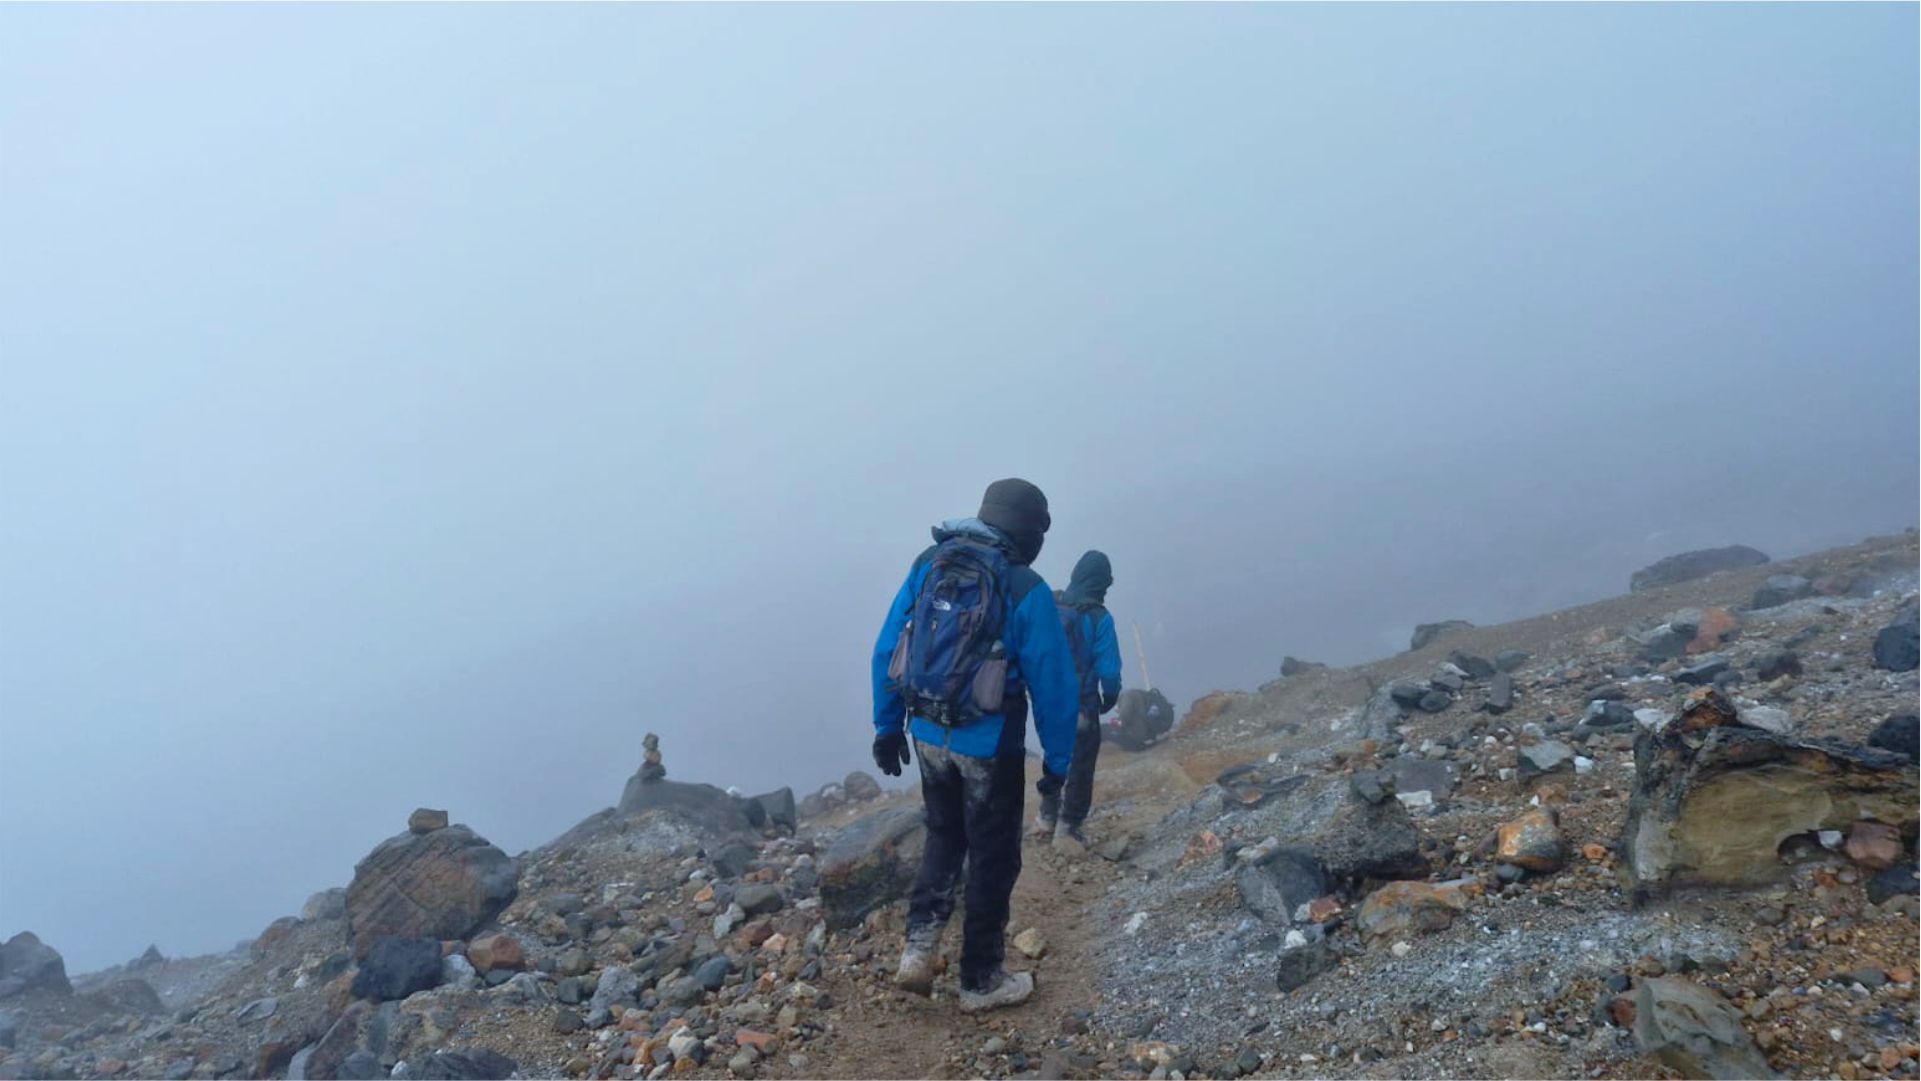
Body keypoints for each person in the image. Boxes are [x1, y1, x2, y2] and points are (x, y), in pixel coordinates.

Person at [870, 478, 1080, 1013]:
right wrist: (1059, 765)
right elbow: (1054, 686)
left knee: (943, 837)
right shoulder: (1024, 585)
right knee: (993, 856)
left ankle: (917, 953)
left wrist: (887, 724)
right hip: (988, 743)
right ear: (1029, 529)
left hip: (927, 735)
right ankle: (980, 979)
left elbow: (889, 644)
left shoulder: (931, 562)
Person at [1035, 551, 1122, 853]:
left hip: (1048, 704)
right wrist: (1109, 697)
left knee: (1055, 757)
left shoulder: (1053, 605)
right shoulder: (1099, 617)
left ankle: (1046, 816)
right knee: (1081, 765)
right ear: (1101, 582)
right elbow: (1109, 669)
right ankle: (1068, 831)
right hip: (1081, 705)